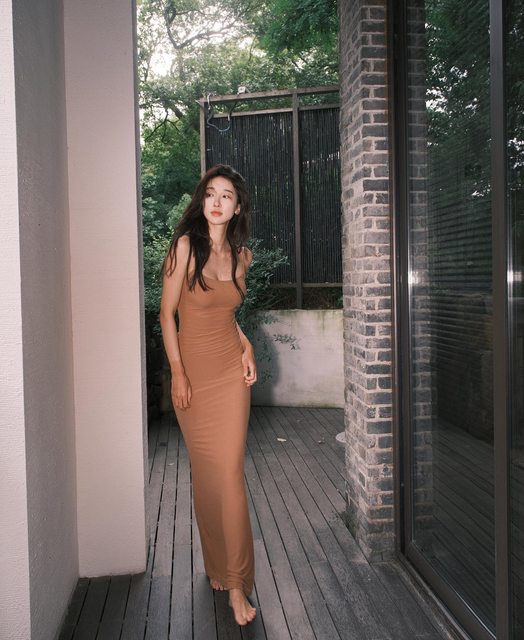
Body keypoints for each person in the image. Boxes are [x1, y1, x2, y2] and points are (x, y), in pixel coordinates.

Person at [159, 164, 257, 626]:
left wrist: (246, 344)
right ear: (201, 201)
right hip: (193, 376)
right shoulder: (184, 248)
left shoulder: (243, 257)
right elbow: (167, 315)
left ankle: (237, 584)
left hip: (230, 375)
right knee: (206, 474)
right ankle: (217, 567)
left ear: (237, 208)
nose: (217, 202)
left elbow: (226, 315)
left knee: (230, 472)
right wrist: (178, 373)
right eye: (211, 193)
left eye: (227, 196)